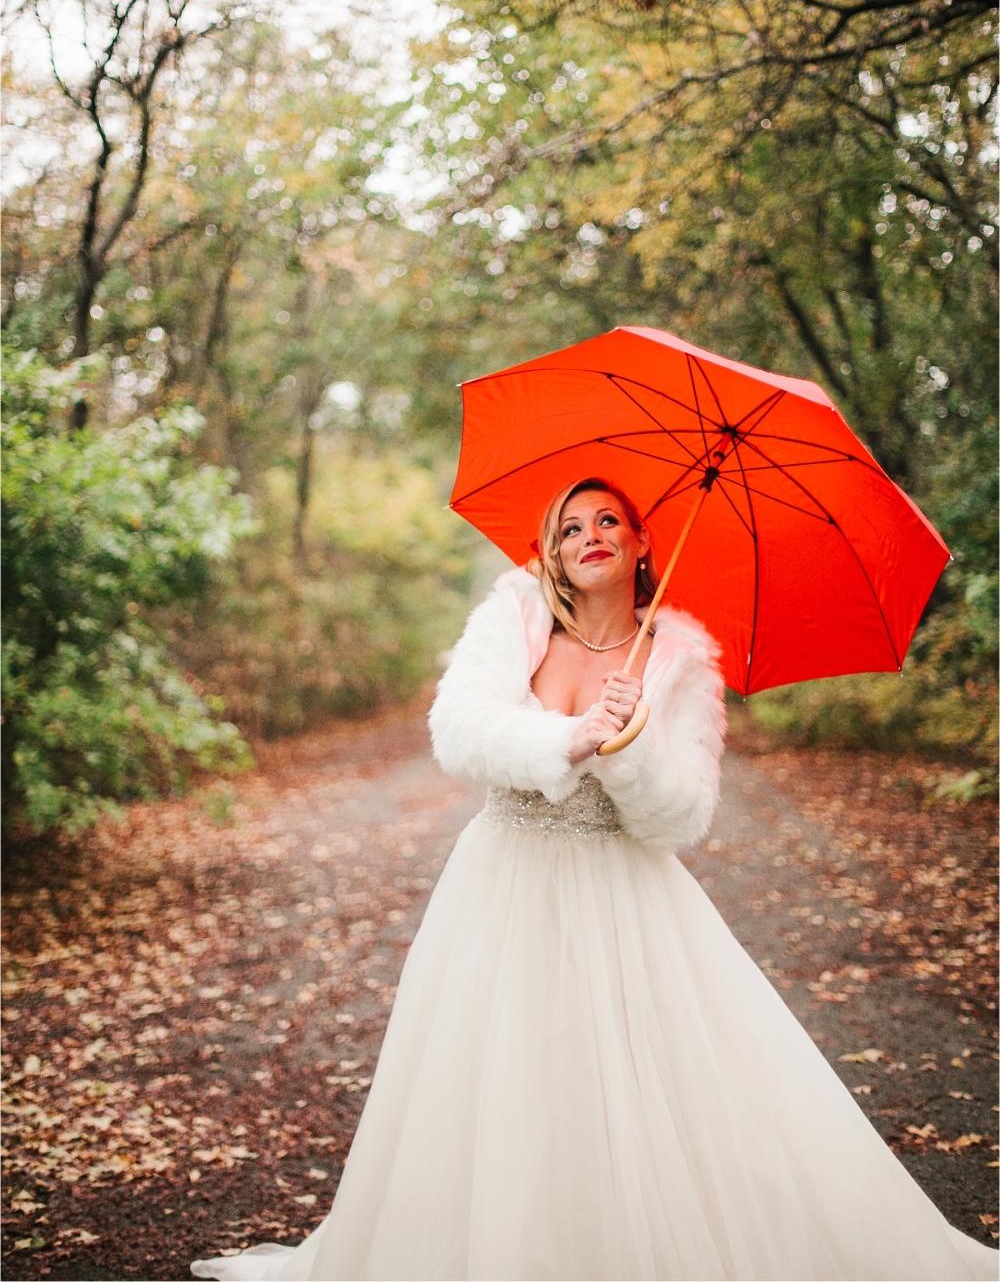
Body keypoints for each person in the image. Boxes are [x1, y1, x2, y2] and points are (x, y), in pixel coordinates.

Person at [193, 478, 996, 1281]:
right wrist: (570, 739)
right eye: (571, 527)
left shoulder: (681, 661)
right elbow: (457, 729)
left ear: (643, 543)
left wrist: (632, 745)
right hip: (502, 884)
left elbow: (681, 819)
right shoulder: (515, 622)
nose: (592, 535)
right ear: (550, 551)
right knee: (503, 1072)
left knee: (625, 1082)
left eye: (610, 519)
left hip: (623, 896)